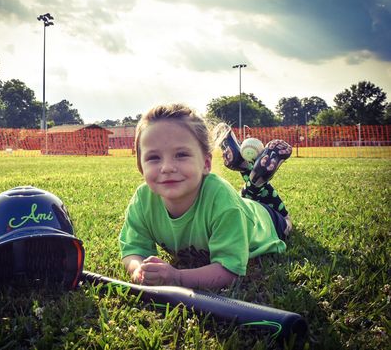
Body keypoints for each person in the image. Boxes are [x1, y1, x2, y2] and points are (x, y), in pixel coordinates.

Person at [119, 103, 292, 289]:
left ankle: (254, 181)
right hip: (240, 206)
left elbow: (229, 271)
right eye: (153, 157)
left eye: (181, 154)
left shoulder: (223, 202)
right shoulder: (143, 199)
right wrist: (138, 270)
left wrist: (177, 276)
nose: (167, 167)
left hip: (264, 220)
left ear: (206, 163)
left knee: (286, 221)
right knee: (245, 198)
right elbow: (133, 250)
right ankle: (249, 175)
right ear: (140, 166)